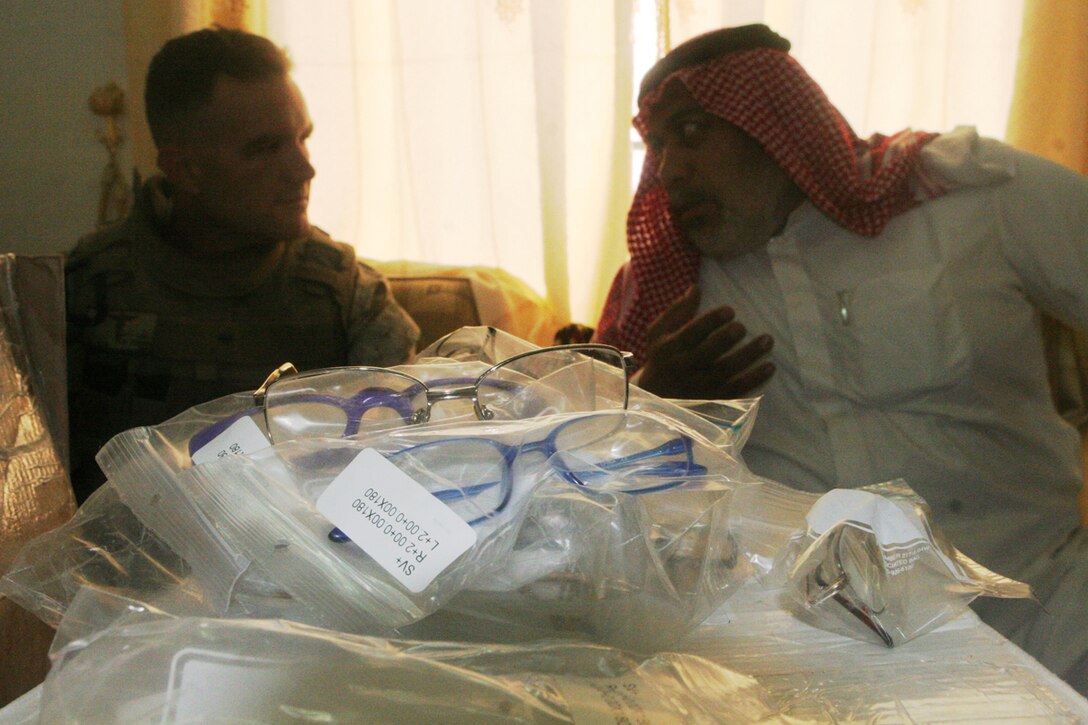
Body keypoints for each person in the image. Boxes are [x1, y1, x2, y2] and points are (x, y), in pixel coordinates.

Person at [594, 24, 1088, 693]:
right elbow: (581, 494)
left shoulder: (966, 196)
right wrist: (657, 401)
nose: (669, 171)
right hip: (811, 666)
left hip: (1045, 615)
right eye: (656, 146)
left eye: (691, 132)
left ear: (772, 123)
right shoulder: (670, 298)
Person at [66, 27, 419, 503]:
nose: (304, 170)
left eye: (302, 139)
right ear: (187, 169)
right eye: (266, 148)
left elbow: (410, 461)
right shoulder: (81, 290)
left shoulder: (345, 293)